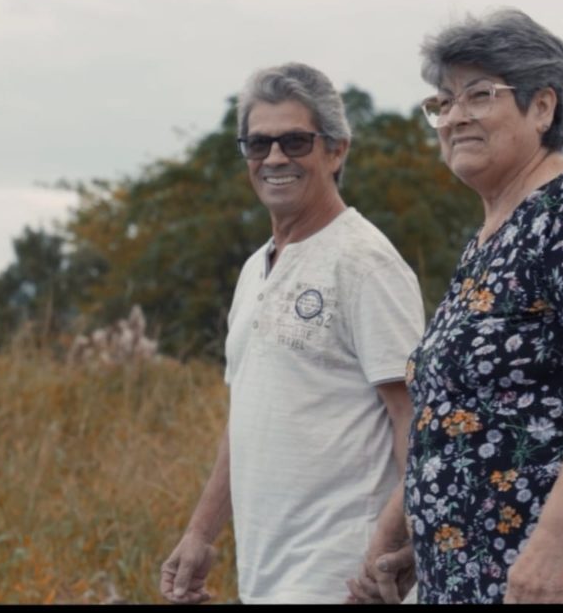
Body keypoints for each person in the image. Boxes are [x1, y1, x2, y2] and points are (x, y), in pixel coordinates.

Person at [347, 8, 563, 604]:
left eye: (479, 95)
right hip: (478, 575)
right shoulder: (488, 237)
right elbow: (460, 415)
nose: (454, 117)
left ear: (542, 107)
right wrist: (405, 536)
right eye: (442, 102)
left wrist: (555, 548)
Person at [157, 62, 426, 604]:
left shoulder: (365, 263)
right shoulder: (256, 267)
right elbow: (249, 417)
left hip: (342, 577)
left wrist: (392, 550)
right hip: (266, 574)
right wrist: (200, 534)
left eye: (295, 141)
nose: (275, 158)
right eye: (258, 144)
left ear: (336, 150)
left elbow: (417, 424)